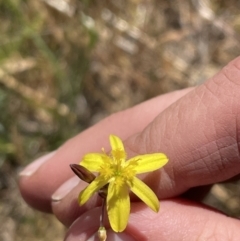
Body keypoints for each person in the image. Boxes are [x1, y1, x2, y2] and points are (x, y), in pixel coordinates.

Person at [19, 56, 240, 241]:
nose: (117, 166)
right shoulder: (103, 176)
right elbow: (88, 191)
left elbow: (158, 167)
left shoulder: (134, 175)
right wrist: (91, 189)